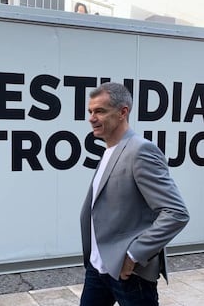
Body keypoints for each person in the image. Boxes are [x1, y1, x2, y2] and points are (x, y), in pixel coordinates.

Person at [79, 82, 190, 306]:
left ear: (123, 112)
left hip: (128, 274)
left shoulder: (140, 150)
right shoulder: (109, 150)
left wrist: (132, 257)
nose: (92, 118)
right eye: (90, 111)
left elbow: (176, 213)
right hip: (98, 268)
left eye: (100, 111)